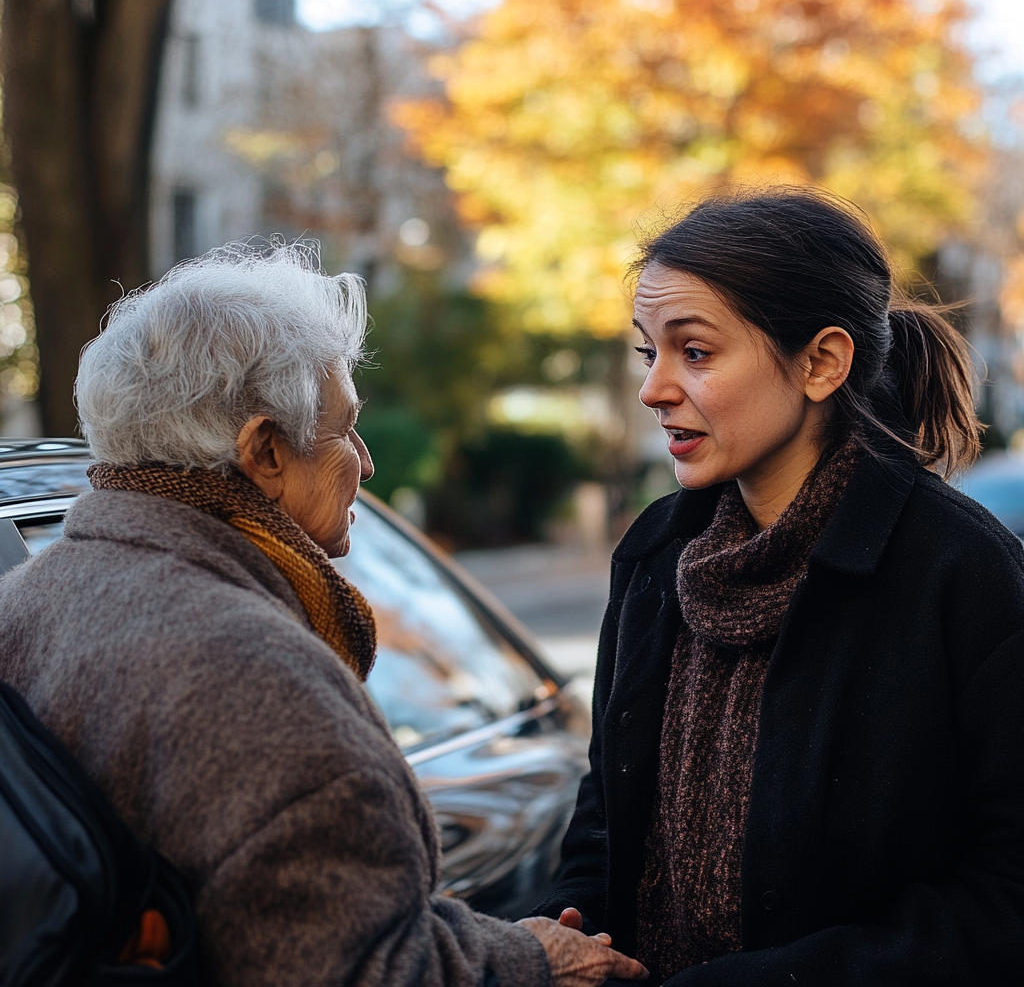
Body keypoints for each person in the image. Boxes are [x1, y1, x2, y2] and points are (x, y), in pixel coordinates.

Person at [0, 241, 648, 987]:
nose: (367, 462)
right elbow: (361, 968)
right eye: (344, 428)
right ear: (266, 452)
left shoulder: (24, 599)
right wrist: (532, 959)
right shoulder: (251, 670)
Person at [534, 188, 1024, 984]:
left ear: (822, 362)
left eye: (694, 352)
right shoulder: (657, 555)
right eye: (646, 352)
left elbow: (1005, 896)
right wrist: (570, 927)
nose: (654, 389)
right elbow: (608, 812)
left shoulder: (963, 576)